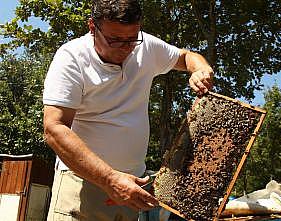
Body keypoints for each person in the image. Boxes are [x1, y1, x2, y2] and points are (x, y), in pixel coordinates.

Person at [43, 0, 213, 220]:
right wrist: (109, 179)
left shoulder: (146, 47)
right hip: (82, 186)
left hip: (131, 187)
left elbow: (186, 57)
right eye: (115, 40)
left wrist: (201, 69)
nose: (125, 47)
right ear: (93, 27)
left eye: (131, 39)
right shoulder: (71, 57)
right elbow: (54, 128)